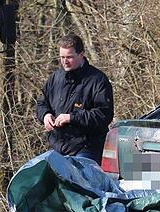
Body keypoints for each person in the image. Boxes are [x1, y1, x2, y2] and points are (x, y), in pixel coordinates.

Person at [35, 34, 114, 163]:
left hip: (86, 148)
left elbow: (104, 115)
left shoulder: (98, 80)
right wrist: (45, 115)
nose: (64, 61)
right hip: (56, 146)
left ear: (81, 54)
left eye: (69, 57)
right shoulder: (56, 78)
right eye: (62, 57)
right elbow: (42, 103)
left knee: (77, 179)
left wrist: (71, 118)